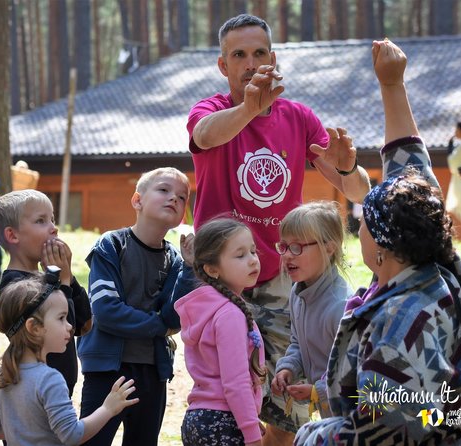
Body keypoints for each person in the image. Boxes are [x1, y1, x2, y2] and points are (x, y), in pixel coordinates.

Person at [186, 13, 370, 443]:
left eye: (259, 53)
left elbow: (356, 188)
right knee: (227, 403)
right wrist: (248, 109)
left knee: (286, 411)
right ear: (223, 65)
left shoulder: (298, 117)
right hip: (219, 284)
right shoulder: (209, 110)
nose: (250, 64)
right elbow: (207, 136)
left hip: (279, 279)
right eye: (239, 55)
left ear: (273, 58)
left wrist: (346, 165)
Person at [294, 39, 461, 445]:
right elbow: (414, 177)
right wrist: (392, 85)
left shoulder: (401, 324)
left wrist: (314, 436)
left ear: (380, 245)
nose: (356, 227)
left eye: (362, 221)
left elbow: (391, 429)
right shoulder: (436, 264)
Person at [77, 167, 195, 446]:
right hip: (107, 368)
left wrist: (190, 270)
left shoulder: (177, 260)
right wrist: (159, 326)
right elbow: (106, 311)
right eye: (164, 190)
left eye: (182, 196)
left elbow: (175, 318)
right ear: (137, 201)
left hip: (153, 370)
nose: (173, 199)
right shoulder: (111, 245)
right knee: (92, 440)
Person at [0, 269, 139, 445]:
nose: (70, 326)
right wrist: (108, 409)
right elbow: (73, 435)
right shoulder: (49, 379)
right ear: (34, 327)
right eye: (61, 318)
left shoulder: (4, 375)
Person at [0, 189, 92, 396]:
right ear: (12, 235)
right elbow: (65, 330)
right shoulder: (14, 284)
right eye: (41, 221)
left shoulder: (51, 279)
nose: (54, 228)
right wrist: (62, 283)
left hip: (60, 388)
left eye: (52, 219)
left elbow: (84, 325)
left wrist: (67, 278)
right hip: (37, 392)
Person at [175, 218, 266, 446]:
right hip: (223, 423)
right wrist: (252, 435)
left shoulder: (207, 308)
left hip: (198, 420)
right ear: (212, 269)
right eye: (240, 255)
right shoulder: (229, 315)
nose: (253, 260)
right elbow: (235, 383)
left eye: (253, 251)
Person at [271, 201, 352, 425]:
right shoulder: (298, 293)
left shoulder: (340, 306)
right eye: (284, 246)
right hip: (329, 411)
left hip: (350, 415)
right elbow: (299, 342)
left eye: (297, 247)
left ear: (329, 247)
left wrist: (318, 391)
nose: (287, 255)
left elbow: (350, 371)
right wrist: (289, 367)